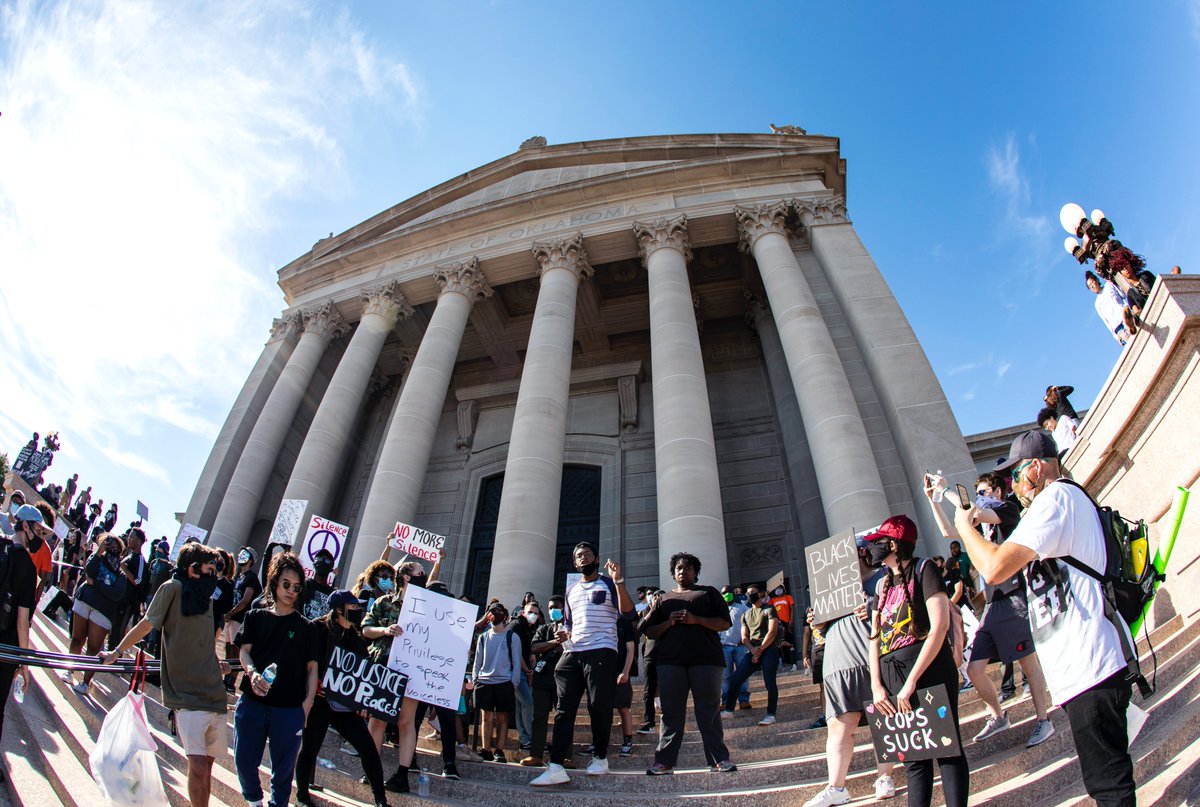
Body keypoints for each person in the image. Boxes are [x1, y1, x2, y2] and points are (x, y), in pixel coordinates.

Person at [953, 430, 1138, 805]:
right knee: (1105, 776)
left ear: (1036, 466)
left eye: (1016, 473)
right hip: (1083, 668)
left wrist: (962, 528)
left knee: (1109, 785)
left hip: (1093, 663)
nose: (1013, 483)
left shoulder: (1056, 498)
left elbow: (993, 567)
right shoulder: (1059, 502)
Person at [925, 472, 1056, 748]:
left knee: (1028, 664)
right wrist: (933, 501)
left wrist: (947, 489)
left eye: (985, 491)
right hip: (994, 602)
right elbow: (952, 530)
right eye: (978, 492)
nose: (981, 497)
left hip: (1014, 595)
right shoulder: (981, 522)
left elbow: (977, 513)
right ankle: (998, 715)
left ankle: (1044, 719)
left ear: (998, 491)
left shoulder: (1007, 509)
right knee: (974, 668)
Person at [101, 542, 231, 807]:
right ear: (193, 570)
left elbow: (204, 640)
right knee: (196, 762)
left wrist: (217, 661)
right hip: (186, 692)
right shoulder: (171, 589)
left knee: (207, 765)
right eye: (209, 569)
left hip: (213, 692)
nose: (214, 575)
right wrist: (116, 651)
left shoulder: (204, 600)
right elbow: (146, 624)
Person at [867, 515, 969, 807]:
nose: (873, 548)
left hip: (928, 673)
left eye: (879, 542)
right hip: (891, 681)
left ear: (895, 544)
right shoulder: (882, 586)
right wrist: (876, 685)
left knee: (947, 750)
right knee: (913, 760)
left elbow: (939, 626)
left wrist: (911, 682)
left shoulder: (925, 569)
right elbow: (875, 638)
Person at [530, 542, 635, 787]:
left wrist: (618, 581)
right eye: (579, 556)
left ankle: (600, 757)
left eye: (588, 554)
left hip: (601, 650)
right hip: (572, 652)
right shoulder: (571, 590)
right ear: (575, 564)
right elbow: (568, 622)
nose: (583, 558)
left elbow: (628, 613)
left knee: (599, 706)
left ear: (596, 559)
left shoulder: (608, 583)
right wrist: (562, 635)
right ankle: (556, 765)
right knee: (564, 710)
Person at [803, 537, 896, 807]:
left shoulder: (882, 578)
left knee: (884, 717)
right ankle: (837, 786)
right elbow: (823, 627)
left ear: (861, 553)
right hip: (839, 658)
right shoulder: (831, 587)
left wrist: (871, 608)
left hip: (872, 656)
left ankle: (885, 776)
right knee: (839, 725)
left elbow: (896, 611)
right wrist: (817, 622)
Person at [233, 551, 318, 807]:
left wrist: (307, 704)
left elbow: (313, 668)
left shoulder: (306, 627)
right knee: (244, 760)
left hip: (289, 708)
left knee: (283, 772)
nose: (291, 591)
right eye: (286, 584)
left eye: (296, 587)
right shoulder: (255, 617)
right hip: (253, 702)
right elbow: (244, 652)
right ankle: (254, 801)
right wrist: (252, 672)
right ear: (274, 582)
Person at [639, 552, 735, 775]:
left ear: (696, 571)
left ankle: (718, 759)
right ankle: (664, 761)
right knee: (671, 713)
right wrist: (669, 623)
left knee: (708, 711)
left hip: (706, 660)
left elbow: (724, 623)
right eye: (679, 568)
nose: (683, 571)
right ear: (673, 573)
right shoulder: (663, 600)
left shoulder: (708, 593)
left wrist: (696, 619)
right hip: (671, 662)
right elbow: (650, 631)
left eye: (688, 567)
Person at [294, 590, 389, 807]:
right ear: (339, 609)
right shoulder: (317, 629)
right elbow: (304, 661)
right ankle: (302, 796)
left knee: (368, 749)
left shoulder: (357, 640)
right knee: (310, 748)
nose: (359, 610)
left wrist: (363, 703)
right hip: (319, 702)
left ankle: (381, 801)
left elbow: (363, 677)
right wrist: (312, 684)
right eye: (354, 606)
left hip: (344, 708)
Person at [362, 559, 438, 792]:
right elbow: (366, 629)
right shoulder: (384, 603)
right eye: (419, 573)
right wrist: (385, 630)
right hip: (385, 667)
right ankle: (372, 770)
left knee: (407, 722)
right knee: (377, 720)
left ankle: (402, 775)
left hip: (412, 670)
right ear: (406, 577)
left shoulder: (430, 609)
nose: (423, 576)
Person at [0, 504, 40, 779]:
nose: (39, 537)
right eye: (37, 530)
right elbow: (22, 620)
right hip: (6, 647)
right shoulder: (26, 564)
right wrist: (24, 664)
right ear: (25, 526)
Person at [67, 531, 127, 693]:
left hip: (103, 611)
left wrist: (96, 584)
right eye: (109, 545)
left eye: (115, 547)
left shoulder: (121, 575)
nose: (111, 549)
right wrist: (99, 550)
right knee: (77, 639)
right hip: (85, 601)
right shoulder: (97, 559)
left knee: (93, 647)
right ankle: (69, 670)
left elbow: (116, 594)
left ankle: (86, 682)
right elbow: (89, 572)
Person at [720, 585, 781, 725]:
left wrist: (760, 649)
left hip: (769, 650)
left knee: (770, 682)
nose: (749, 595)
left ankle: (771, 714)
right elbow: (744, 637)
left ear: (760, 594)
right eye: (747, 593)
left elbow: (772, 632)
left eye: (752, 592)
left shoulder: (769, 609)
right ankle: (729, 710)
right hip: (753, 651)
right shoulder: (746, 614)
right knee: (736, 679)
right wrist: (753, 650)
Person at [472, 601, 521, 763]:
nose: (495, 614)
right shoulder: (484, 637)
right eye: (492, 611)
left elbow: (516, 662)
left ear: (505, 615)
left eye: (499, 611)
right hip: (485, 681)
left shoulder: (512, 637)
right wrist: (475, 679)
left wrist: (513, 682)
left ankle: (499, 750)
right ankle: (486, 749)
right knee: (486, 717)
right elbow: (477, 661)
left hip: (504, 682)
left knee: (502, 718)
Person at [523, 595, 566, 767]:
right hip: (543, 678)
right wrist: (554, 642)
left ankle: (564, 755)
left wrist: (556, 643)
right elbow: (534, 648)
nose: (552, 611)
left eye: (556, 607)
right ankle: (536, 754)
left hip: (564, 678)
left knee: (563, 717)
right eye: (549, 608)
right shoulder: (544, 629)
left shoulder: (571, 628)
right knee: (539, 717)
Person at [222, 546, 260, 691]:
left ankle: (231, 682)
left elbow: (245, 600)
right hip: (230, 617)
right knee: (228, 648)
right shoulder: (239, 576)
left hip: (239, 618)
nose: (240, 556)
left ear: (251, 560)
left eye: (245, 554)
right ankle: (226, 677)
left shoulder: (251, 577)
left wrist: (231, 613)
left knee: (236, 651)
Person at [509, 594, 538, 754]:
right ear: (523, 612)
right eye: (531, 611)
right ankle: (530, 739)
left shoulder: (527, 628)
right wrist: (527, 670)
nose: (534, 615)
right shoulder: (516, 625)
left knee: (521, 705)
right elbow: (516, 651)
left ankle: (525, 739)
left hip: (523, 671)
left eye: (536, 612)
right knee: (528, 703)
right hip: (517, 671)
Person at [719, 585, 751, 710]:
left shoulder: (742, 607)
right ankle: (726, 701)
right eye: (723, 593)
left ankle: (744, 699)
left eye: (727, 592)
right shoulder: (720, 610)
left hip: (740, 646)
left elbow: (749, 623)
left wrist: (745, 639)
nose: (725, 595)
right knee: (726, 675)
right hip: (725, 646)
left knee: (743, 673)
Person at [637, 589, 663, 734]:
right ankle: (649, 723)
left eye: (660, 596)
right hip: (650, 655)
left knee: (667, 688)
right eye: (654, 597)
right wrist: (652, 610)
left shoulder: (667, 613)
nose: (656, 599)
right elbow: (640, 627)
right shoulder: (647, 613)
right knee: (648, 690)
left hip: (667, 656)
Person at [1086, 270, 1136, 345]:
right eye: (1090, 287)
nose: (1092, 286)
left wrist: (1131, 309)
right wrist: (1116, 336)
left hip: (1126, 317)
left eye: (1092, 282)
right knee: (1133, 345)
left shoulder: (1109, 285)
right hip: (1118, 328)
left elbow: (1123, 295)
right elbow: (1105, 320)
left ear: (1096, 280)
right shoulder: (1097, 303)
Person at [802, 610, 827, 728]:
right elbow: (807, 633)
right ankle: (825, 716)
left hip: (831, 644)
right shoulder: (808, 610)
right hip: (817, 649)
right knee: (822, 686)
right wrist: (804, 654)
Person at [296, 548, 335, 620]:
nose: (322, 561)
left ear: (331, 568)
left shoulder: (332, 594)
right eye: (319, 559)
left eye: (327, 560)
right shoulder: (304, 584)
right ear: (314, 564)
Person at [767, 583, 796, 670]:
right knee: (777, 644)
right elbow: (766, 604)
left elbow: (792, 609)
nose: (778, 590)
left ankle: (794, 663)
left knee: (790, 642)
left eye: (779, 588)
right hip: (777, 623)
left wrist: (791, 620)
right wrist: (767, 594)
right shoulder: (773, 600)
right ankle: (780, 663)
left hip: (787, 623)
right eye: (776, 588)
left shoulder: (788, 597)